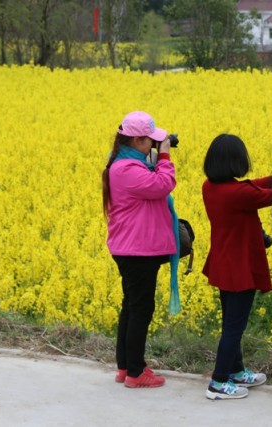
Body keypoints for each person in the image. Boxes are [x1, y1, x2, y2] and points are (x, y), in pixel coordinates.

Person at [102, 111, 177, 388]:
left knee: (131, 306)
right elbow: (163, 184)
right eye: (151, 141)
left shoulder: (123, 164)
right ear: (136, 141)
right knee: (141, 308)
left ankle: (125, 367)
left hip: (131, 247)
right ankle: (135, 371)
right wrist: (165, 157)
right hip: (137, 250)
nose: (155, 145)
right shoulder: (128, 170)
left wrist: (154, 158)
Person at [202, 134, 272, 400]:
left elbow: (254, 184)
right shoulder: (237, 194)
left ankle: (236, 370)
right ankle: (218, 383)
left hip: (224, 264)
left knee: (230, 323)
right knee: (234, 327)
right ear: (236, 161)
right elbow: (269, 194)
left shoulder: (210, 187)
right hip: (239, 269)